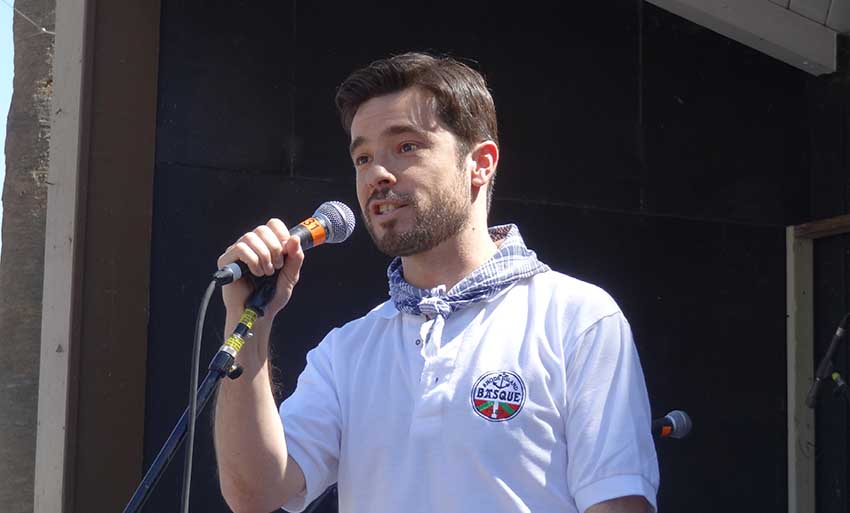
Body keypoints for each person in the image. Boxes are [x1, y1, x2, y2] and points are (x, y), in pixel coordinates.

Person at [213, 52, 659, 513]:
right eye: (362, 157)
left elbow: (617, 503)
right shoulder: (347, 351)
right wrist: (249, 320)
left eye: (406, 146)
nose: (377, 175)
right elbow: (255, 494)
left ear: (481, 163)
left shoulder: (577, 318)